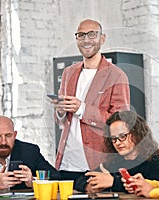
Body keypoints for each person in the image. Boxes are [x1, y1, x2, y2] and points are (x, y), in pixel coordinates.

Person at [52, 18, 130, 181]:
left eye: (92, 34)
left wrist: (81, 109)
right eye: (81, 35)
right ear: (77, 39)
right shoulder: (68, 73)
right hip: (66, 163)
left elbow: (121, 123)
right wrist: (60, 111)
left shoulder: (116, 75)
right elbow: (62, 121)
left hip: (97, 165)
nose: (86, 40)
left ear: (102, 38)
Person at [74, 110, 159, 193]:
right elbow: (82, 179)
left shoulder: (155, 164)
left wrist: (113, 182)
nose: (117, 143)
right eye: (114, 138)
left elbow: (158, 190)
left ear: (137, 134)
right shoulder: (112, 163)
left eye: (122, 136)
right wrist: (89, 186)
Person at [0, 116, 62, 193]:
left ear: (14, 135)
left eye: (8, 135)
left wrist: (33, 181)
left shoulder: (30, 152)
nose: (3, 142)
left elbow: (57, 178)